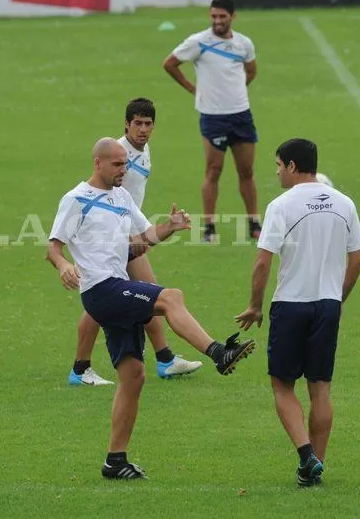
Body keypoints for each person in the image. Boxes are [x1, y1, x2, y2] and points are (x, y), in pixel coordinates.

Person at [47, 137, 257, 479]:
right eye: (116, 164)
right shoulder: (75, 200)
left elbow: (143, 241)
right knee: (171, 297)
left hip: (117, 286)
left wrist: (170, 228)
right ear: (97, 163)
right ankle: (218, 352)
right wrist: (64, 266)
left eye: (125, 164)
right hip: (100, 289)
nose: (123, 169)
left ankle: (115, 461)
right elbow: (53, 247)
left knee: (133, 376)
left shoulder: (122, 197)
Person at [235, 138, 360, 488]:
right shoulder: (345, 203)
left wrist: (254, 305)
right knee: (320, 389)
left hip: (291, 304)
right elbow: (358, 258)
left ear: (292, 166)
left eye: (278, 165)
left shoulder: (281, 205)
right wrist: (339, 298)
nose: (276, 172)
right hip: (327, 304)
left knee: (282, 385)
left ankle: (306, 454)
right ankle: (314, 468)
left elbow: (263, 261)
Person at [69, 99, 202, 386]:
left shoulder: (143, 151)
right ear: (126, 124)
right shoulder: (119, 155)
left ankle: (161, 359)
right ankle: (161, 359)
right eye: (137, 123)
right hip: (120, 240)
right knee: (140, 297)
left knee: (130, 297)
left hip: (130, 235)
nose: (143, 129)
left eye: (148, 124)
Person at [163, 0, 261, 243]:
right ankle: (209, 226)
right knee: (213, 170)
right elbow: (170, 64)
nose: (217, 21)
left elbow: (251, 70)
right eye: (213, 16)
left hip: (241, 115)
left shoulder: (244, 44)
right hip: (213, 117)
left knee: (246, 171)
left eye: (222, 16)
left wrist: (237, 90)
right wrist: (192, 89)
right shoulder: (199, 42)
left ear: (232, 17)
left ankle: (254, 223)